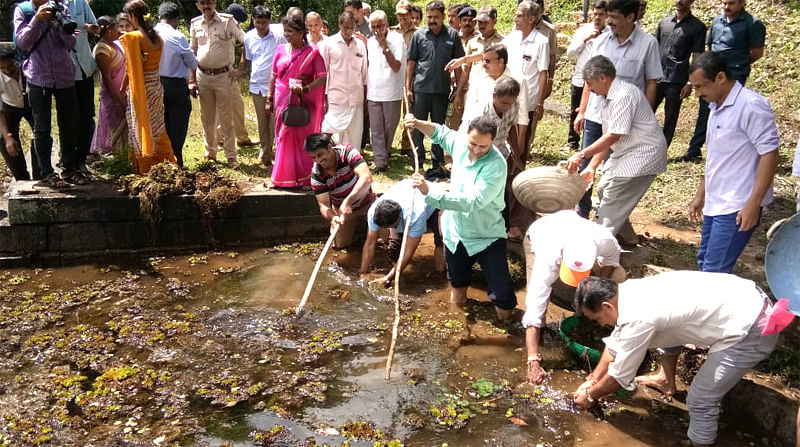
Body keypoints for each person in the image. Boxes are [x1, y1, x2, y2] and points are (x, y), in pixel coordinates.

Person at [571, 272, 778, 447]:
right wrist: (593, 379)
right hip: (744, 296)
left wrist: (590, 396)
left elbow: (619, 377)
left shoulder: (638, 318)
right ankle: (665, 380)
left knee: (700, 400)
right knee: (667, 330)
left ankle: (701, 443)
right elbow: (616, 343)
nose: (600, 324)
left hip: (752, 328)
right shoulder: (628, 291)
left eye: (597, 319)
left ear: (607, 307)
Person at [408, 115, 516, 322]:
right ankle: (457, 322)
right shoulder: (459, 143)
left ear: (492, 142)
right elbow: (439, 133)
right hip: (455, 233)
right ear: (466, 135)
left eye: (483, 147)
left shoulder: (497, 165)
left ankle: (507, 328)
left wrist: (429, 191)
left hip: (486, 235)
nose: (476, 149)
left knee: (502, 294)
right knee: (457, 284)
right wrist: (417, 123)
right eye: (473, 143)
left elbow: (473, 202)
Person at [686, 51, 778, 274]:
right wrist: (702, 192)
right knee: (705, 262)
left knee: (714, 271)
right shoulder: (715, 106)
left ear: (720, 77)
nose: (697, 93)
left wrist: (753, 203)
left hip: (737, 204)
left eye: (700, 87)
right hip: (716, 201)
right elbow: (716, 155)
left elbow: (770, 154)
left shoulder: (751, 105)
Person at [573, 0, 662, 220]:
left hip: (627, 119)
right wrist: (583, 110)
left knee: (618, 178)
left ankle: (609, 219)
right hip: (598, 113)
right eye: (607, 16)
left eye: (614, 17)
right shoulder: (601, 40)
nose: (609, 21)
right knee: (592, 168)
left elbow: (652, 81)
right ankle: (583, 209)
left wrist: (645, 114)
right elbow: (589, 78)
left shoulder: (648, 43)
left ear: (631, 17)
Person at [565, 55, 667, 246]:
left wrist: (581, 155)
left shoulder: (623, 96)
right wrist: (592, 167)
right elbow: (608, 139)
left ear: (603, 78)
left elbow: (613, 136)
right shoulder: (609, 97)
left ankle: (598, 246)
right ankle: (627, 237)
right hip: (628, 152)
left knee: (613, 194)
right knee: (604, 189)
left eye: (590, 84)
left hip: (643, 154)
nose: (591, 91)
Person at [522, 210, 623, 384]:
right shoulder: (548, 256)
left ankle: (583, 310)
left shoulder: (605, 241)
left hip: (577, 230)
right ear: (561, 259)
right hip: (542, 231)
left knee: (619, 276)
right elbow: (533, 312)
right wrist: (533, 360)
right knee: (538, 301)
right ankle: (543, 327)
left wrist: (596, 293)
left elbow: (611, 261)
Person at [680, 0, 765, 162]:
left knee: (731, 111)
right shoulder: (717, 21)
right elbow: (710, 46)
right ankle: (694, 149)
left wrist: (738, 63)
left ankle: (730, 148)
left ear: (742, 3)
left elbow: (757, 52)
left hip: (735, 75)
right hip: (711, 74)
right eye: (724, 3)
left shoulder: (752, 24)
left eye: (731, 3)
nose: (727, 7)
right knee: (705, 110)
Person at [14, 0, 83, 186]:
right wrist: (36, 19)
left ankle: (69, 169)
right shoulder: (24, 11)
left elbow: (70, 43)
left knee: (69, 125)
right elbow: (22, 42)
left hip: (64, 75)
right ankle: (46, 173)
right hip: (38, 76)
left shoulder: (61, 9)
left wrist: (60, 26)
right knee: (42, 128)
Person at [406, 0, 465, 180]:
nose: (432, 20)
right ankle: (419, 162)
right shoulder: (419, 35)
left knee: (439, 130)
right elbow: (411, 63)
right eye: (429, 17)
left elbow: (459, 64)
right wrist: (408, 88)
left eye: (436, 17)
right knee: (417, 127)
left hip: (441, 91)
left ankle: (437, 164)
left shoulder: (453, 35)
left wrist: (458, 89)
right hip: (421, 90)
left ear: (443, 16)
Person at [267, 14, 326, 188]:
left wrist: (305, 89)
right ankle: (281, 178)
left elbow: (322, 78)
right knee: (282, 137)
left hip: (303, 102)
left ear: (301, 33)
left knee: (301, 140)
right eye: (285, 31)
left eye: (290, 31)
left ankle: (303, 178)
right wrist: (269, 98)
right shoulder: (280, 50)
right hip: (281, 99)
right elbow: (273, 76)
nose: (287, 35)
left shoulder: (312, 53)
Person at [120, 0, 178, 174]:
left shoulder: (132, 38)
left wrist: (123, 88)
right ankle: (167, 164)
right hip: (156, 87)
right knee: (158, 127)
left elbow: (131, 69)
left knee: (140, 128)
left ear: (132, 17)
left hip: (142, 90)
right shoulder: (157, 37)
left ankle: (145, 168)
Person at [189, 0, 246, 168]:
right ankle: (211, 153)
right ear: (197, 5)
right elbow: (191, 51)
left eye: (210, 2)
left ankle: (231, 156)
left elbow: (246, 41)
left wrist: (241, 68)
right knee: (207, 117)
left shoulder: (227, 21)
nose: (207, 5)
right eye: (203, 2)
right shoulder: (195, 23)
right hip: (202, 75)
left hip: (223, 76)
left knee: (226, 117)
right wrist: (191, 79)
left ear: (215, 3)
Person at [360, 179, 445, 284]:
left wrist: (388, 278)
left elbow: (408, 252)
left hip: (435, 202)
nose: (388, 229)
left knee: (442, 239)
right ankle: (395, 268)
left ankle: (439, 277)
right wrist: (363, 273)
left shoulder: (416, 214)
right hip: (405, 196)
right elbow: (370, 244)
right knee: (394, 251)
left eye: (392, 226)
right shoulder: (373, 212)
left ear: (399, 217)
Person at [306, 133, 375, 248]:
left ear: (329, 147)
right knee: (340, 245)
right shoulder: (316, 175)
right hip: (342, 212)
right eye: (314, 157)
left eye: (320, 155)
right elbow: (323, 206)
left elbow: (367, 178)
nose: (319, 160)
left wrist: (348, 202)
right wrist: (333, 217)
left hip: (367, 202)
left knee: (389, 236)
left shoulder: (347, 152)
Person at [654, 0, 706, 147]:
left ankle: (662, 149)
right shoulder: (664, 23)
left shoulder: (697, 27)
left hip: (677, 80)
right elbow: (653, 48)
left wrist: (690, 83)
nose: (679, 1)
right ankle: (642, 145)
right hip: (657, 76)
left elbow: (697, 57)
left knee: (670, 117)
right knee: (645, 112)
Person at [156, 2, 198, 167]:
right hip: (175, 85)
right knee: (177, 124)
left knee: (160, 124)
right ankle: (176, 160)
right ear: (176, 20)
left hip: (154, 84)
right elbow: (192, 62)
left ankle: (161, 161)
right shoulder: (177, 36)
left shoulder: (148, 34)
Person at [320, 12, 368, 149]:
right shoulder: (329, 43)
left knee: (355, 137)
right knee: (328, 131)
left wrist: (365, 99)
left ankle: (350, 166)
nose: (348, 31)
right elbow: (324, 73)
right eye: (345, 27)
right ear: (339, 25)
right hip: (336, 98)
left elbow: (364, 74)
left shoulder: (360, 45)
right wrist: (323, 98)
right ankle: (321, 164)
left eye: (351, 28)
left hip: (356, 99)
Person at [366, 10, 405, 173]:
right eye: (373, 27)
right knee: (376, 129)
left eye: (380, 26)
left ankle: (385, 153)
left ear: (387, 25)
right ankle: (380, 162)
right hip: (373, 92)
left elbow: (397, 66)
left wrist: (385, 47)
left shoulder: (397, 40)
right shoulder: (369, 42)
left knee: (389, 127)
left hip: (392, 92)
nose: (377, 31)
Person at [565, 0, 607, 150]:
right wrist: (586, 39)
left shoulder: (609, 35)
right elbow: (570, 53)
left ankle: (593, 144)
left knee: (595, 113)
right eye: (595, 14)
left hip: (599, 82)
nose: (597, 17)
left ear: (607, 16)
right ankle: (572, 141)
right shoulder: (583, 31)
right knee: (576, 110)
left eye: (601, 15)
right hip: (580, 79)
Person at [242, 5, 279, 167]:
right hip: (256, 85)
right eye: (257, 22)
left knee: (274, 121)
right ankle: (264, 154)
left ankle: (278, 154)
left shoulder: (279, 37)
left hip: (274, 86)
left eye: (264, 22)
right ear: (253, 20)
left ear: (269, 21)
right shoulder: (249, 37)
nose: (261, 26)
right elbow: (249, 58)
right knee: (261, 121)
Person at [65, 0, 98, 175]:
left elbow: (93, 24)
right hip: (63, 72)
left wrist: (91, 27)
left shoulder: (79, 3)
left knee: (87, 116)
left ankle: (81, 160)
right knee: (68, 119)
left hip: (85, 68)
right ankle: (68, 162)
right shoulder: (48, 4)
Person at [91, 16, 128, 156]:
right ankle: (113, 156)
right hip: (112, 94)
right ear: (108, 30)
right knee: (114, 126)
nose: (119, 31)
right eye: (116, 28)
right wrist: (118, 100)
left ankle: (123, 155)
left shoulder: (115, 43)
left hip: (123, 91)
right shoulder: (102, 49)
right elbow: (107, 78)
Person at [224, 3, 257, 151]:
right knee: (222, 108)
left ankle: (242, 138)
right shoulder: (225, 24)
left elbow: (244, 42)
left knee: (237, 105)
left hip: (229, 71)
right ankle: (220, 141)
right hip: (221, 73)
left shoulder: (230, 26)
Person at [0, 46, 33, 180]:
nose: (8, 70)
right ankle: (21, 178)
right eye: (2, 68)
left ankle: (42, 174)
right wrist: (8, 137)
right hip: (10, 108)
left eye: (10, 65)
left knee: (41, 136)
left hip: (33, 106)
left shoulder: (30, 69)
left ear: (17, 60)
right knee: (5, 140)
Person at [391, 0, 417, 156]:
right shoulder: (392, 32)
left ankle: (407, 145)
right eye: (399, 15)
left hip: (411, 77)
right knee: (391, 114)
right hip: (393, 78)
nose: (401, 18)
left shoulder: (418, 33)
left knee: (409, 112)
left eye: (404, 15)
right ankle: (388, 144)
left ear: (411, 15)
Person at [446, 6, 477, 131]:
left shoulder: (479, 40)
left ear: (475, 22)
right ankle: (447, 151)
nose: (467, 23)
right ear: (460, 21)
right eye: (464, 20)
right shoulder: (451, 38)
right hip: (454, 90)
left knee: (471, 126)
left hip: (472, 90)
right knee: (450, 124)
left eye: (470, 20)